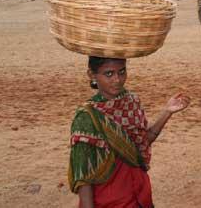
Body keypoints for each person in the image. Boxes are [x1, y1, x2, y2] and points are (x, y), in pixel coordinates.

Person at [68, 56, 190, 208]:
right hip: (109, 201)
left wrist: (167, 111)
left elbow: (142, 142)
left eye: (122, 72)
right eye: (109, 74)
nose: (117, 79)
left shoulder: (131, 101)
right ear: (92, 75)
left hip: (140, 195)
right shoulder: (87, 116)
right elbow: (83, 177)